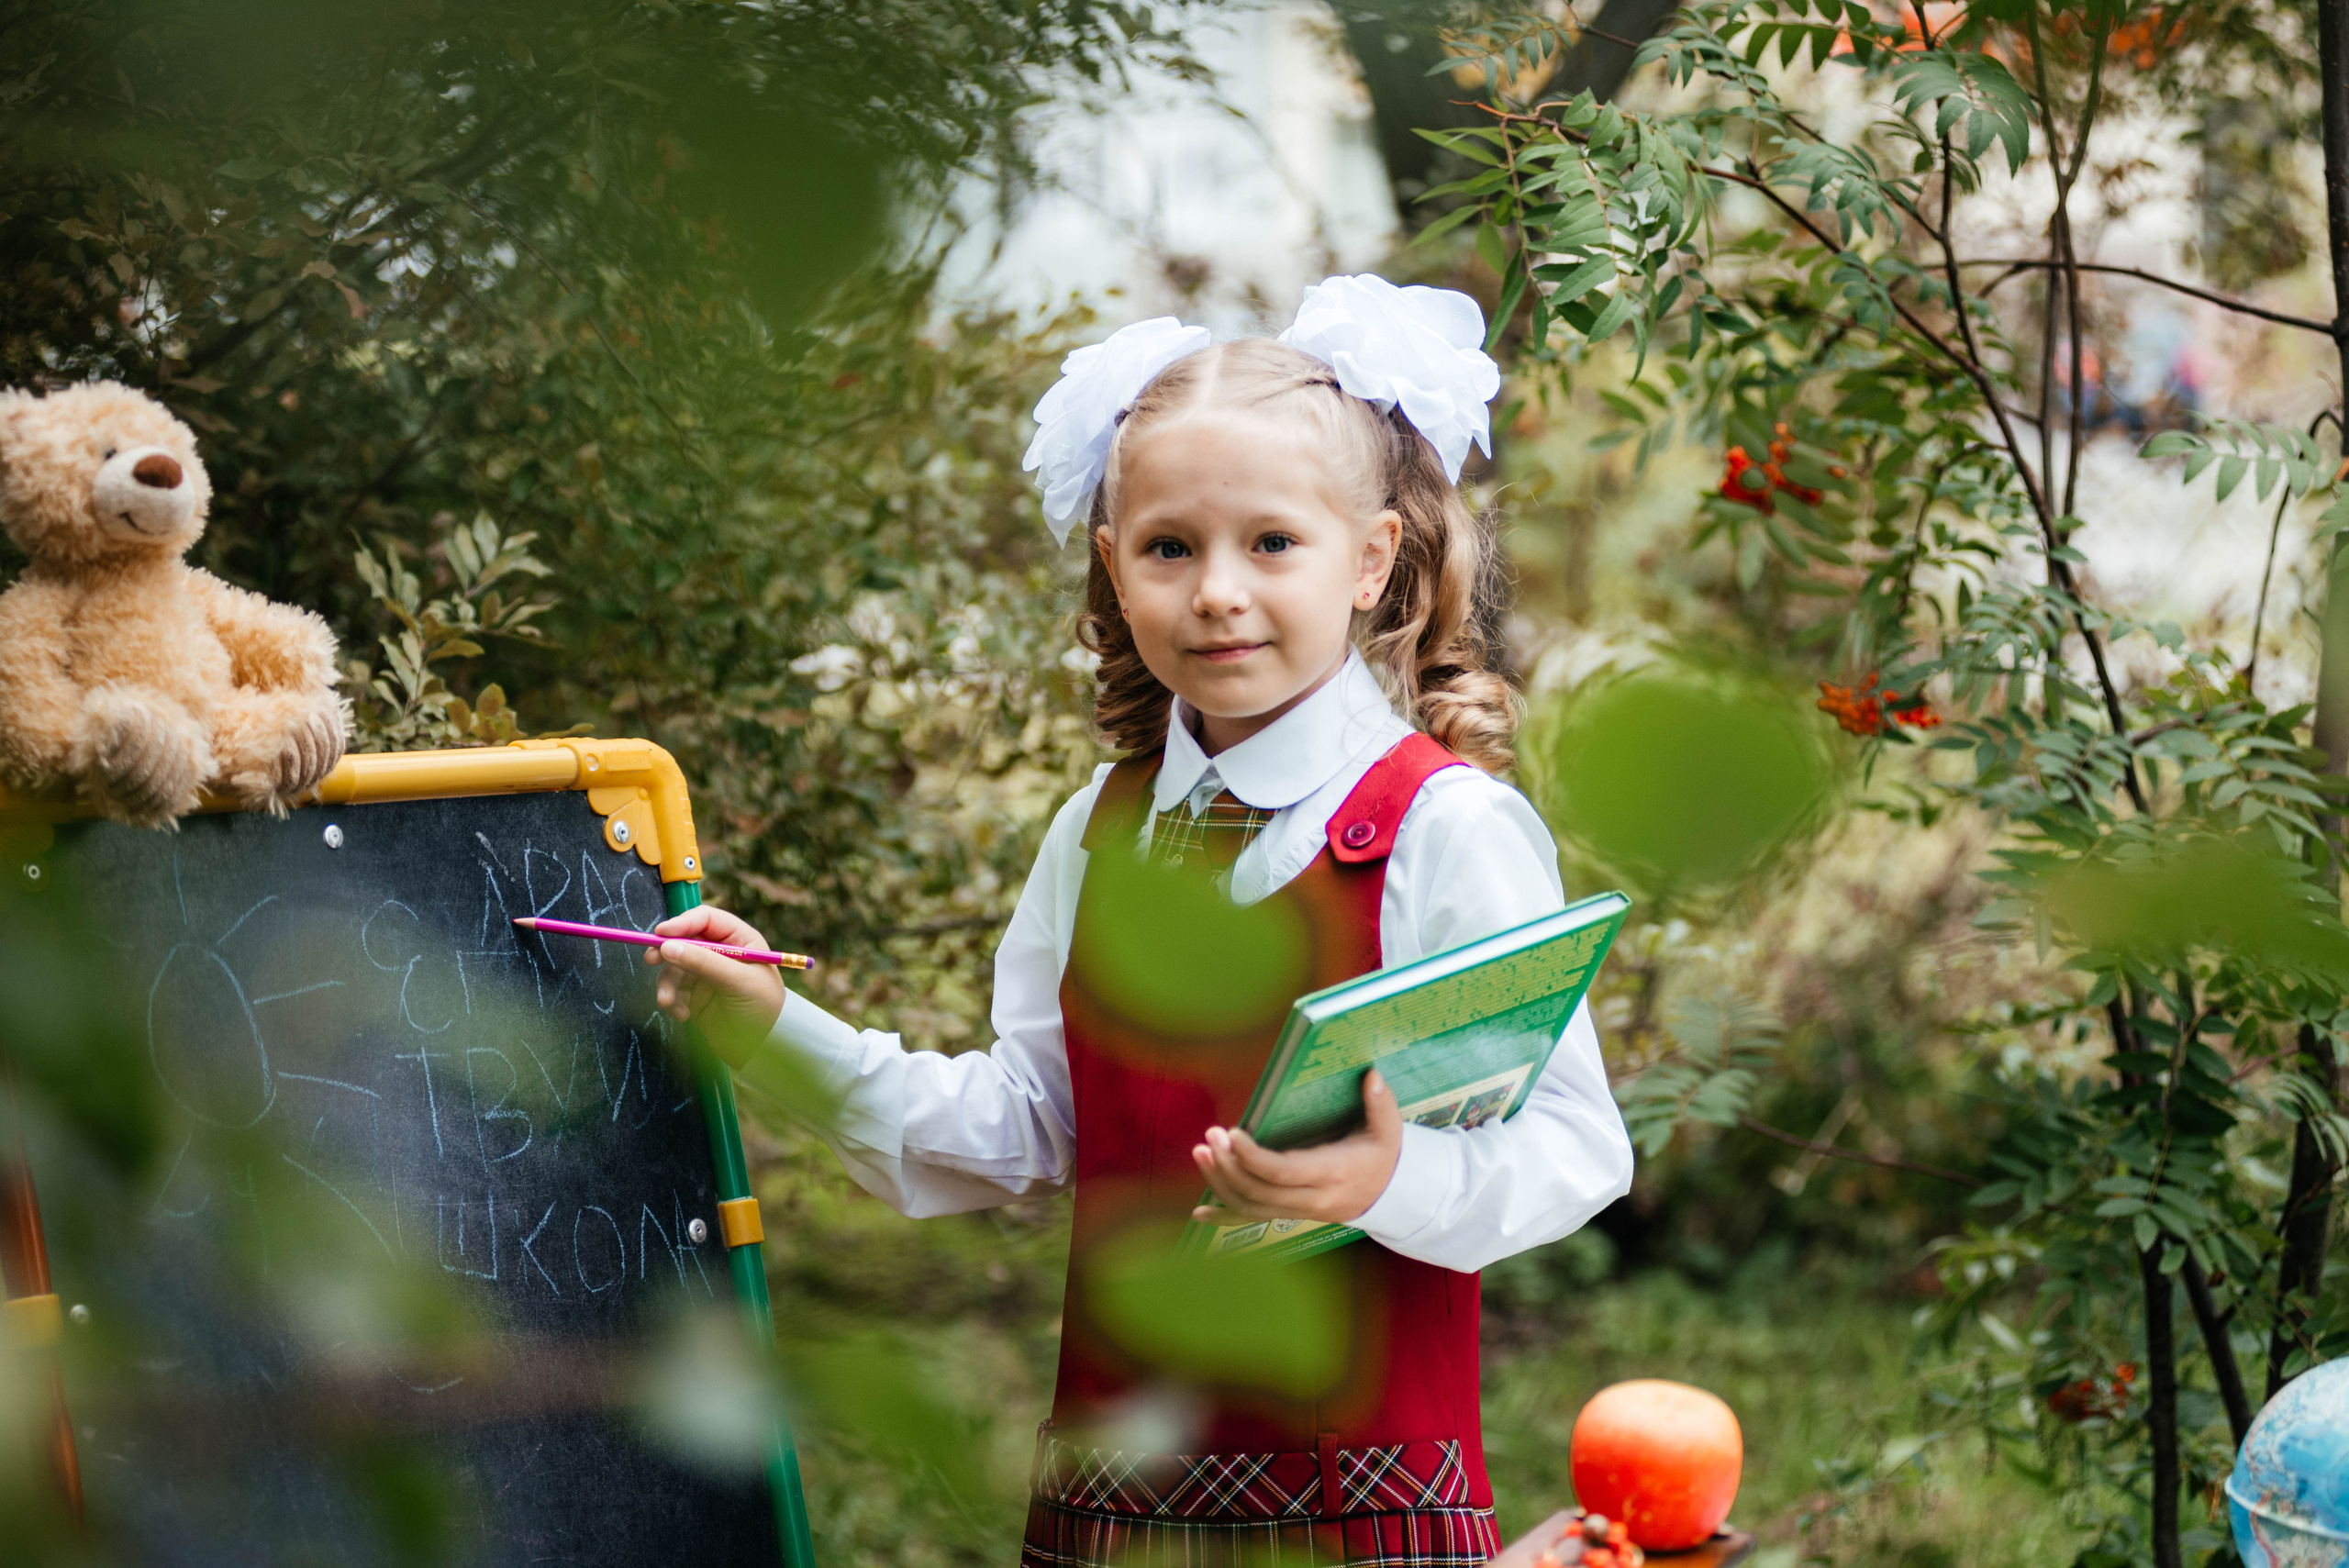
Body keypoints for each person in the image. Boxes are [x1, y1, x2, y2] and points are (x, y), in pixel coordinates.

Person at [648, 274, 1634, 1567]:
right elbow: (1026, 1122)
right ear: (1116, 568)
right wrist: (783, 1032)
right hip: (1110, 1511)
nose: (1217, 590)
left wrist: (1394, 1176)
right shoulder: (1098, 835)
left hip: (1367, 1509)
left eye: (1272, 543)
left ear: (1372, 559)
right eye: (1171, 547)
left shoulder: (1442, 829)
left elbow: (1574, 1144)